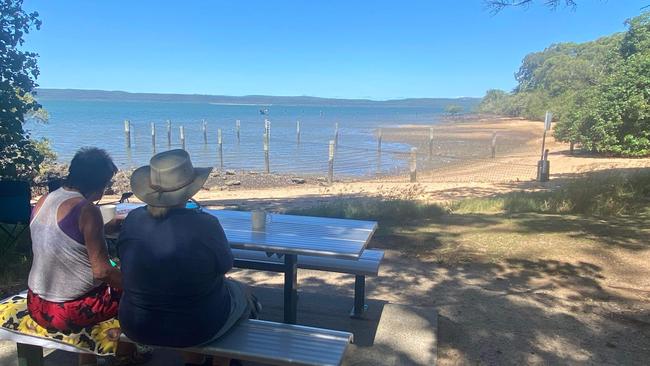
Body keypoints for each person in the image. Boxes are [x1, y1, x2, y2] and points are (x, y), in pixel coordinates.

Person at [117, 149, 257, 366]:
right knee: (244, 295)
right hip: (195, 329)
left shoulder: (133, 219)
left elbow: (124, 259)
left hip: (136, 324)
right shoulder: (206, 224)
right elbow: (225, 266)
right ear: (189, 190)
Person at [27, 147, 145, 365]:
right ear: (98, 184)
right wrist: (140, 285)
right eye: (107, 183)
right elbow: (102, 271)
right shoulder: (86, 210)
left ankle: (88, 359)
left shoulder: (45, 200)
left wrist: (105, 228)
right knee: (134, 293)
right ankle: (125, 355)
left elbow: (65, 240)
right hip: (68, 309)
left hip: (37, 303)